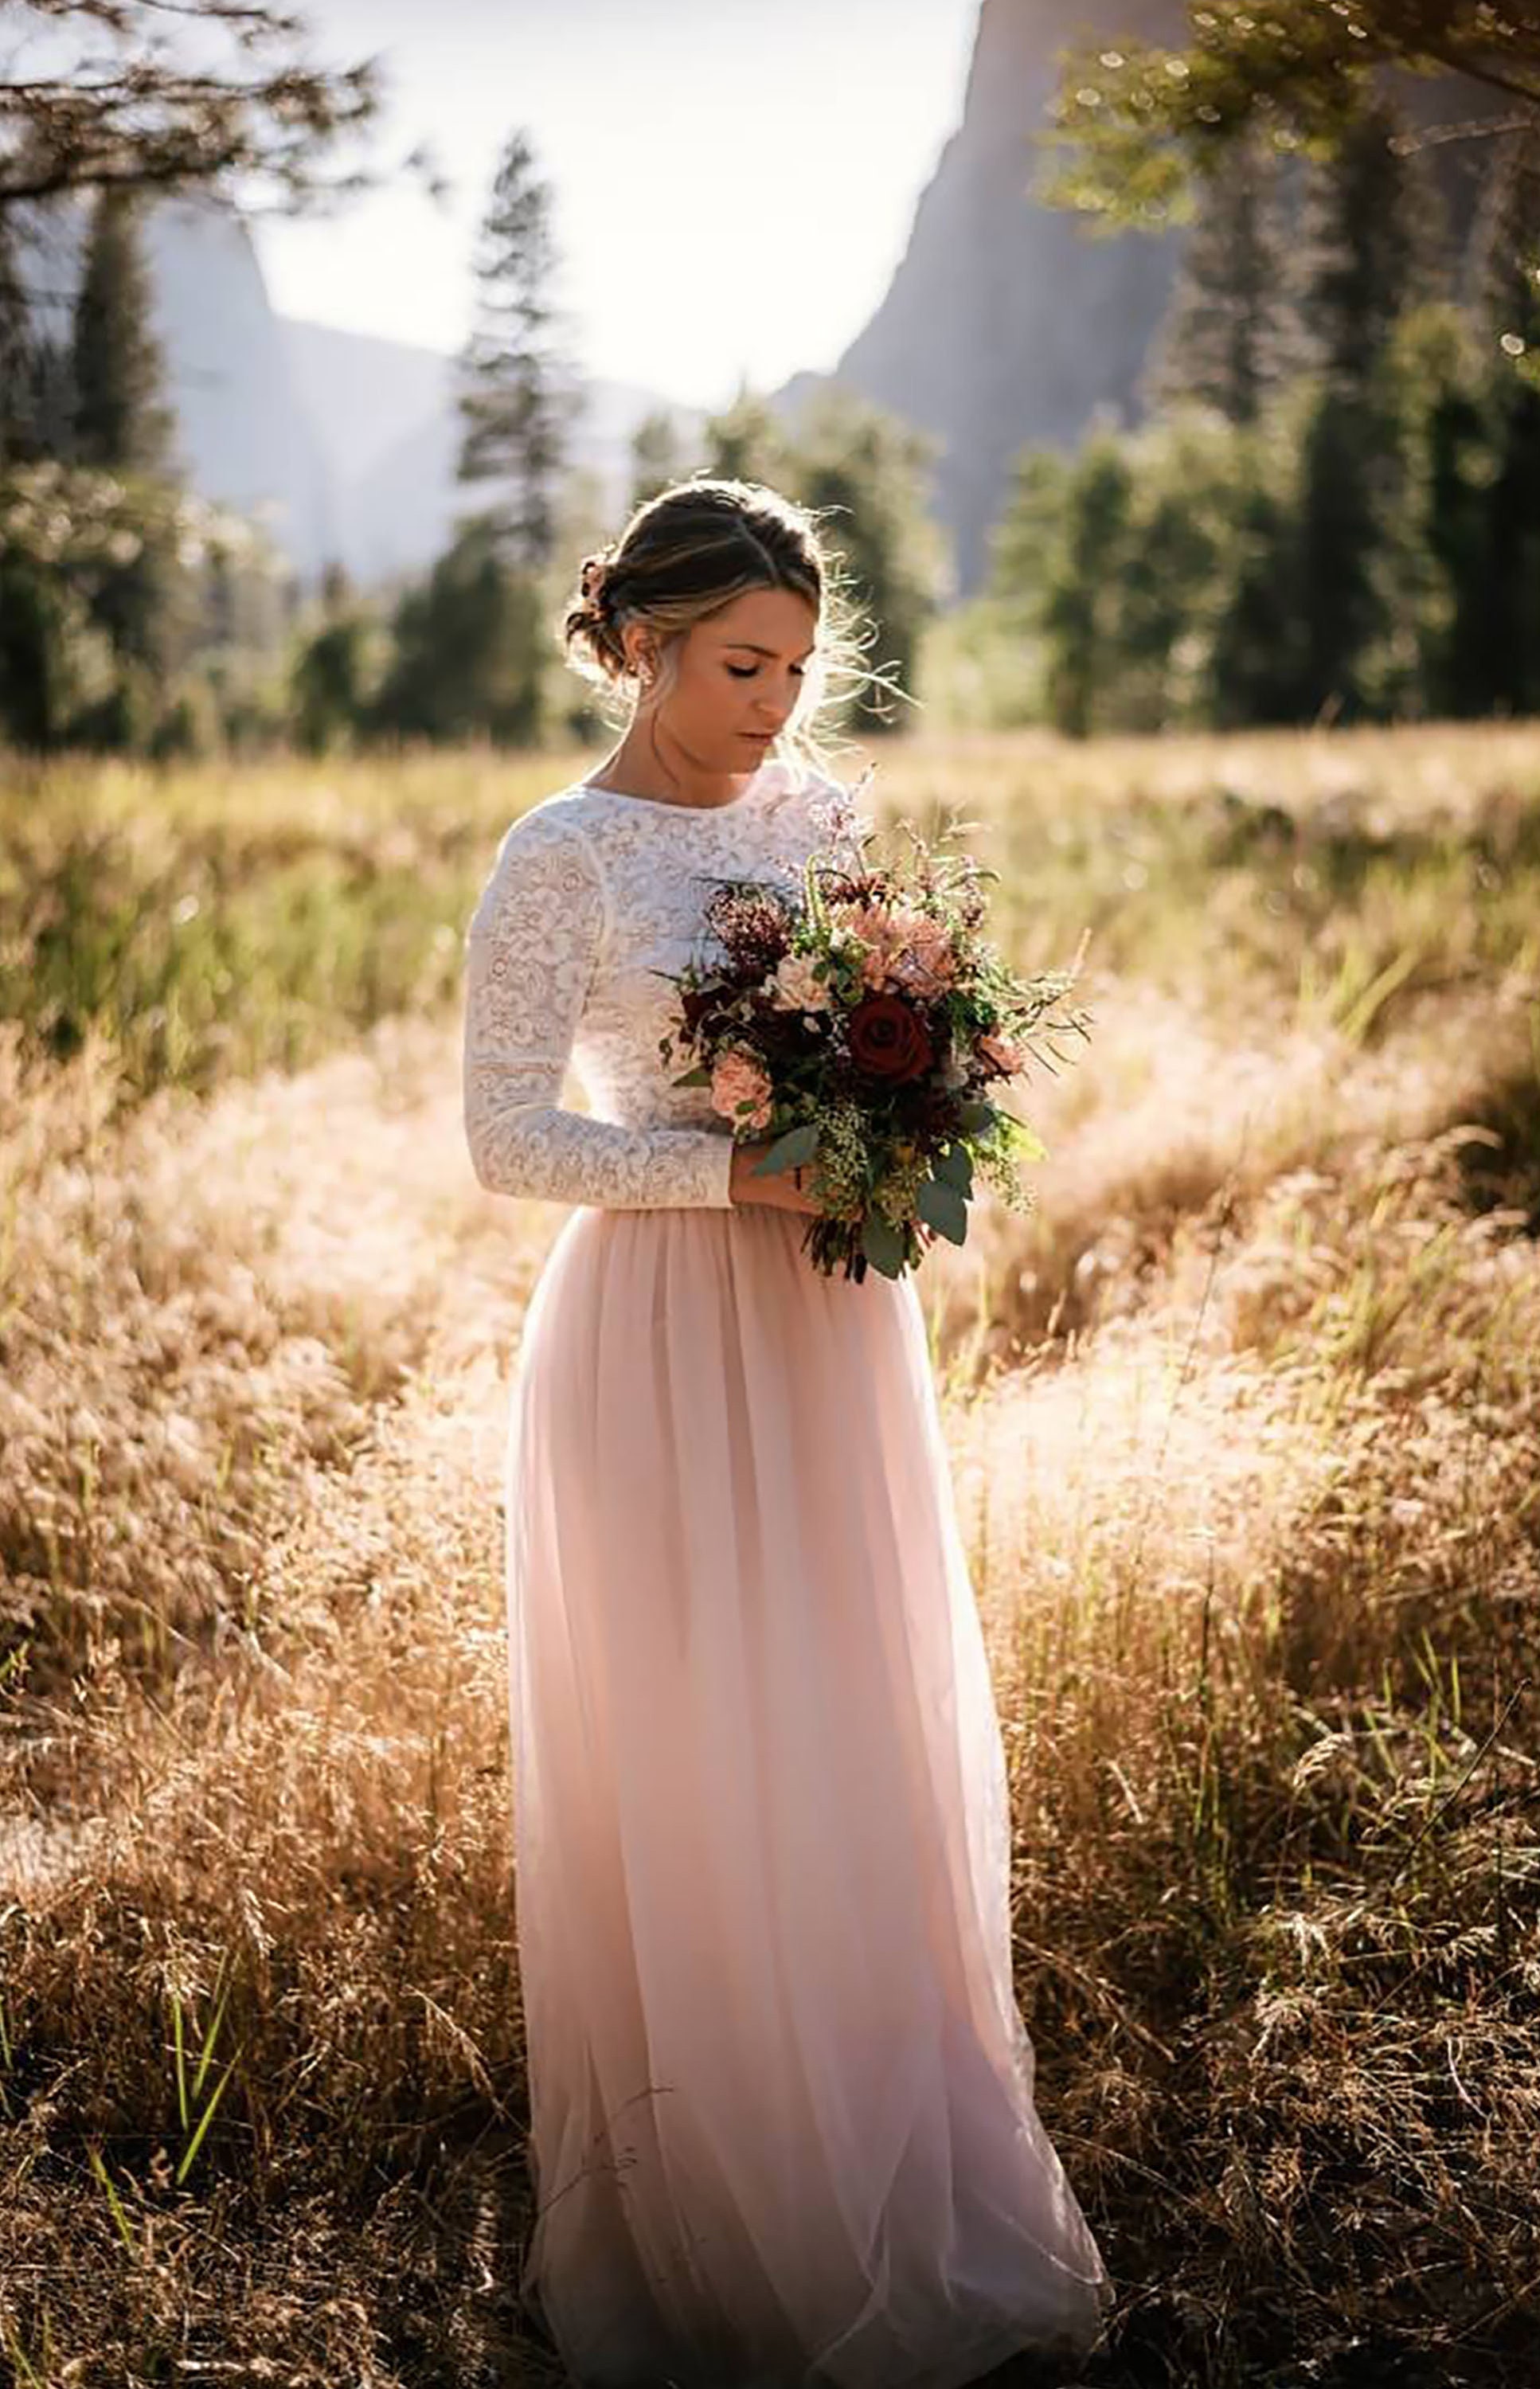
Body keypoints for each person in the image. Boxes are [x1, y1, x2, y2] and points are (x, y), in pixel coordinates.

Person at [460, 477, 1114, 2387]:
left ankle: (891, 2189)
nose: (775, 703)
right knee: (692, 1765)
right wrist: (726, 1172)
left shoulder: (824, 816)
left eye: (800, 668)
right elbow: (505, 1140)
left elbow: (887, 1028)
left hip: (832, 1330)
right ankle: (720, 2238)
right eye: (742, 664)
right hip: (655, 1330)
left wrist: (908, 1114)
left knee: (848, 1730)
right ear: (642, 639)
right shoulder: (557, 857)